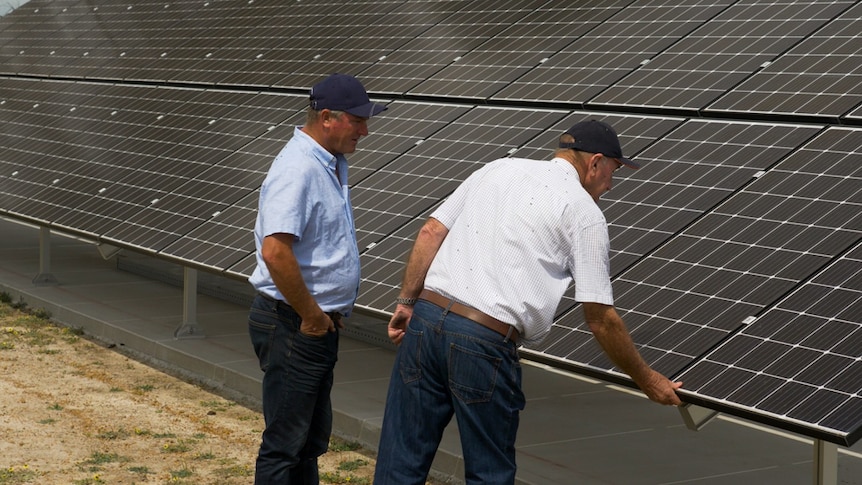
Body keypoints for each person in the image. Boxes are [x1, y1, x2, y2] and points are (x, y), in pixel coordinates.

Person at [373, 120, 683, 485]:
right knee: (489, 472)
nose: (611, 184)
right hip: (483, 341)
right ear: (595, 162)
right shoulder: (584, 214)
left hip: (424, 322)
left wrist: (407, 302)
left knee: (402, 458)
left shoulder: (498, 167)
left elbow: (432, 231)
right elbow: (600, 318)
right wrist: (646, 379)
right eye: (613, 171)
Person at [247, 73, 386, 484]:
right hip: (292, 325)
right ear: (327, 117)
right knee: (285, 446)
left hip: (310, 324)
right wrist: (310, 316)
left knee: (307, 442)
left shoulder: (328, 163)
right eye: (357, 120)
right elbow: (275, 250)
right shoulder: (299, 169)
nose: (365, 129)